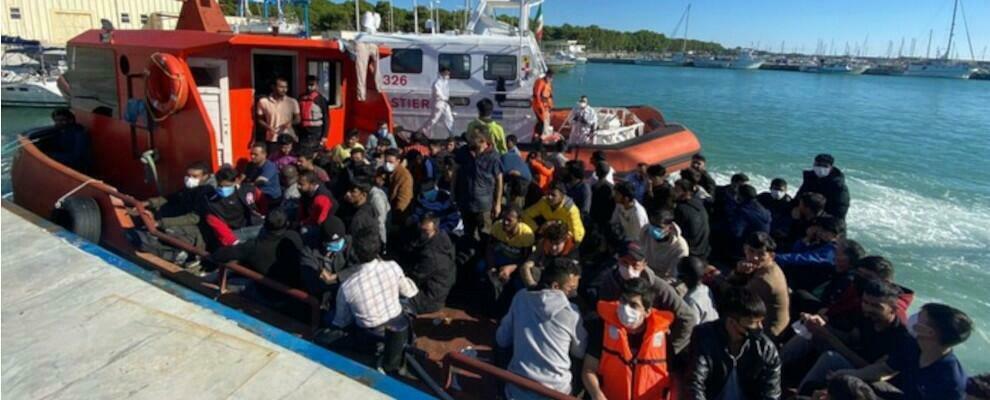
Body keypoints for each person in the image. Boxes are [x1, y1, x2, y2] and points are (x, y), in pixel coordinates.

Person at [787, 280, 916, 395]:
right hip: (853, 363)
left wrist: (829, 337)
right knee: (810, 332)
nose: (868, 308)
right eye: (865, 302)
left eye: (876, 306)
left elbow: (872, 369)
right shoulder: (866, 317)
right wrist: (822, 327)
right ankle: (775, 367)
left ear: (893, 309)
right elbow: (851, 338)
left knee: (830, 358)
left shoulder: (900, 336)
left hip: (872, 379)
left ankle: (800, 394)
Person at [824, 303, 971, 400]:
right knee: (841, 377)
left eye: (919, 318)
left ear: (929, 332)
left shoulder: (951, 382)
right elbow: (885, 368)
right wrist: (847, 373)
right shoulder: (913, 346)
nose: (913, 319)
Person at [586, 242, 697, 356]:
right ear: (618, 260)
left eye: (635, 265)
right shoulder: (609, 282)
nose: (629, 269)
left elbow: (688, 318)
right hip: (618, 349)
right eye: (625, 263)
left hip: (650, 351)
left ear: (644, 264)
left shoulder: (659, 288)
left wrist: (669, 349)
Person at [496, 258, 586, 399]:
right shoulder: (571, 313)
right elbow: (580, 352)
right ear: (556, 286)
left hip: (516, 389)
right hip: (556, 393)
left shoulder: (520, 297)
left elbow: (501, 339)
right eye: (571, 289)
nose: (573, 294)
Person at [582, 277, 676, 400]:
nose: (625, 308)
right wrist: (597, 394)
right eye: (623, 301)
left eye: (633, 305)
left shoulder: (663, 337)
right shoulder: (602, 329)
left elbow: (675, 377)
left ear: (647, 312)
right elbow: (588, 369)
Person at [686, 286, 782, 400]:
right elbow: (695, 382)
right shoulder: (705, 336)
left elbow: (771, 393)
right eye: (753, 323)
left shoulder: (766, 349)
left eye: (761, 322)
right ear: (731, 322)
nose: (760, 327)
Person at [329, 232, 418, 354]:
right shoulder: (392, 266)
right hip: (399, 328)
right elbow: (409, 291)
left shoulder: (347, 287)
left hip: (370, 339)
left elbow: (342, 321)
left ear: (355, 253)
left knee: (328, 317)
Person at [211, 209, 304, 301]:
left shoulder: (253, 246)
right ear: (287, 224)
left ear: (264, 224)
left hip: (267, 296)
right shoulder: (294, 237)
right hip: (294, 292)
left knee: (229, 283)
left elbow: (219, 255)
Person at [714, 232, 790, 338]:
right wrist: (739, 272)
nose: (754, 257)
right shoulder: (764, 266)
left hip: (768, 331)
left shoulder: (764, 280)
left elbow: (736, 298)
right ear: (745, 249)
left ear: (771, 256)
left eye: (761, 254)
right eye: (751, 251)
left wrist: (717, 277)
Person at [144, 161, 215, 251]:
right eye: (188, 175)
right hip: (187, 217)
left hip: (200, 228)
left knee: (170, 230)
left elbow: (194, 218)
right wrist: (149, 203)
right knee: (161, 210)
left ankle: (188, 254)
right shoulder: (192, 187)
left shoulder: (207, 193)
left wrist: (160, 223)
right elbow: (174, 197)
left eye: (194, 176)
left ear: (205, 176)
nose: (190, 179)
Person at [453, 131, 504, 243]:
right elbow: (455, 173)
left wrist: (498, 204)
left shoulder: (493, 157)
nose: (470, 143)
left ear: (483, 142)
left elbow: (499, 180)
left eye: (475, 144)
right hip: (465, 201)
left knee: (485, 234)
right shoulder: (464, 152)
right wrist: (453, 193)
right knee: (468, 234)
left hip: (484, 205)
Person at [403, 213, 456, 315]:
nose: (423, 234)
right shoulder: (443, 239)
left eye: (426, 231)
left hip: (429, 300)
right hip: (438, 291)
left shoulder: (431, 256)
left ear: (434, 229)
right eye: (422, 230)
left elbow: (414, 278)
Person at [776, 216, 840, 291]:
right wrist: (806, 239)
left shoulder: (831, 251)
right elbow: (796, 252)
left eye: (824, 230)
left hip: (808, 286)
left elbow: (804, 258)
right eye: (820, 229)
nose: (820, 232)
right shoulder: (822, 243)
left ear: (833, 233)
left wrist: (777, 257)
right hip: (798, 277)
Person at [204, 167, 263, 247]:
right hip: (235, 233)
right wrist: (235, 242)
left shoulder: (248, 190)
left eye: (227, 186)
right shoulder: (212, 203)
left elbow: (262, 202)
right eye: (220, 186)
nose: (223, 189)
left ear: (236, 181)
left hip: (255, 225)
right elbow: (218, 226)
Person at [796, 153, 850, 222]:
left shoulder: (839, 186)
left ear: (831, 167)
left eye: (825, 166)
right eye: (818, 165)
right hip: (806, 216)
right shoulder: (809, 179)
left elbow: (840, 212)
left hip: (828, 222)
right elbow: (798, 197)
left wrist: (819, 219)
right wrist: (795, 209)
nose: (820, 168)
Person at [639, 209, 689, 279]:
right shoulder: (646, 231)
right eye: (652, 225)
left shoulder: (680, 248)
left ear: (670, 228)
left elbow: (673, 276)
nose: (654, 230)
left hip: (662, 279)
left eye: (659, 227)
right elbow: (639, 250)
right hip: (644, 271)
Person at [725, 184, 772, 257]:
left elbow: (735, 232)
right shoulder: (763, 209)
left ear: (741, 196)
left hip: (747, 249)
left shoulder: (743, 211)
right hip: (762, 245)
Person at [672, 178, 711, 259]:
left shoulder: (680, 209)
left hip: (691, 252)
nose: (673, 192)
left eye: (676, 190)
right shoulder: (698, 202)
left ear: (686, 193)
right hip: (704, 248)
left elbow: (676, 232)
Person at [255, 77, 300, 144]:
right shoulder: (263, 102)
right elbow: (259, 119)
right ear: (273, 87)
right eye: (281, 87)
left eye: (286, 87)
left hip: (288, 138)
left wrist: (291, 123)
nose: (284, 90)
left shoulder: (292, 102)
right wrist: (268, 128)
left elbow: (298, 119)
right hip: (272, 138)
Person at [677, 256, 719, 324]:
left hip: (704, 332)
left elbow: (692, 327)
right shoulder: (706, 289)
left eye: (680, 276)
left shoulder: (690, 301)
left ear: (685, 278)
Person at [297, 171, 336, 237]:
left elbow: (318, 219)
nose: (298, 186)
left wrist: (302, 223)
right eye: (298, 183)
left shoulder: (322, 197)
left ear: (312, 185)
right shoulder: (305, 192)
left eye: (301, 184)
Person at [245, 143, 283, 208]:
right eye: (251, 154)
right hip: (256, 196)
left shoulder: (270, 166)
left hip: (271, 198)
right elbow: (242, 178)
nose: (252, 156)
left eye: (255, 155)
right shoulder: (250, 165)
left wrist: (245, 187)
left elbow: (260, 181)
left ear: (264, 155)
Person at [342, 181, 380, 245]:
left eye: (353, 192)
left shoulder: (359, 217)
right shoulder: (371, 207)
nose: (348, 194)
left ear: (364, 194)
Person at [383, 148, 414, 224]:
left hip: (394, 211)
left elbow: (404, 198)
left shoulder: (404, 175)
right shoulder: (382, 171)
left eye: (391, 162)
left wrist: (397, 215)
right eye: (386, 161)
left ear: (398, 161)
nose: (387, 164)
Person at [297, 75, 329, 149]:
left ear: (317, 85)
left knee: (315, 150)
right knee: (303, 150)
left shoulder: (321, 99)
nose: (309, 87)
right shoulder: (301, 98)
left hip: (316, 130)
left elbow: (326, 118)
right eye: (308, 85)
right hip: (303, 129)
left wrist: (324, 135)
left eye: (312, 85)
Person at [421, 66, 454, 137]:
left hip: (445, 103)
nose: (447, 76)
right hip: (439, 103)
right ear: (441, 73)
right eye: (446, 74)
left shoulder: (445, 82)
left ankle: (451, 134)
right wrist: (446, 99)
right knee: (433, 120)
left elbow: (446, 93)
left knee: (449, 118)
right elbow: (438, 93)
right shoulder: (437, 82)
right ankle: (423, 132)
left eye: (448, 74)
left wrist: (447, 100)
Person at [589, 161, 617, 233]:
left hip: (595, 220)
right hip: (607, 220)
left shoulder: (594, 187)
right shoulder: (612, 187)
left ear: (596, 172)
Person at [531, 69, 554, 142]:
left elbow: (549, 96)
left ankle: (539, 137)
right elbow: (537, 95)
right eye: (550, 76)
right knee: (542, 122)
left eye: (551, 77)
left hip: (545, 106)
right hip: (539, 105)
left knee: (544, 122)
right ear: (546, 75)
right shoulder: (540, 82)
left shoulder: (548, 83)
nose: (550, 78)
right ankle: (537, 139)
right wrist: (540, 107)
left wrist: (550, 106)